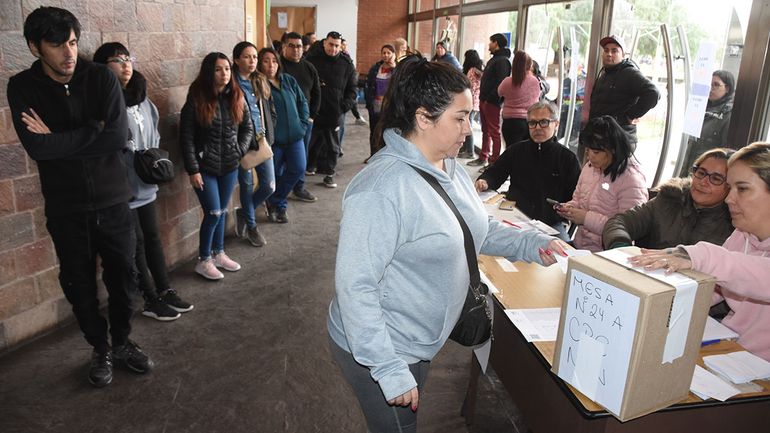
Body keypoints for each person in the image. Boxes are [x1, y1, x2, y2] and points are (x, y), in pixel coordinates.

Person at [327, 55, 566, 433]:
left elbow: (475, 227)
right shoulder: (381, 189)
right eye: (460, 118)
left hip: (417, 338)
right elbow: (356, 287)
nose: (469, 130)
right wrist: (388, 368)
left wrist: (530, 244)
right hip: (382, 346)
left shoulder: (446, 166)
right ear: (423, 118)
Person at [7, 6, 153, 387]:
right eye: (56, 45)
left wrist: (58, 139)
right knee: (78, 284)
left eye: (72, 42)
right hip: (67, 206)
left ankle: (121, 342)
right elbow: (38, 148)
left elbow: (117, 138)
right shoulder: (22, 86)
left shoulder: (100, 78)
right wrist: (91, 131)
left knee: (126, 279)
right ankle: (99, 346)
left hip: (113, 200)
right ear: (35, 47)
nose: (68, 53)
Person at [630, 142, 770, 361]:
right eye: (730, 188)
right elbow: (711, 287)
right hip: (728, 349)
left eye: (742, 189)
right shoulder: (741, 234)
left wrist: (700, 255)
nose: (729, 199)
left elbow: (758, 276)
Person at [93, 42, 194, 321]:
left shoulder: (143, 100)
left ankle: (165, 289)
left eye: (128, 58)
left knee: (152, 238)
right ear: (102, 67)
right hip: (120, 188)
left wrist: (148, 164)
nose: (126, 65)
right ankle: (149, 298)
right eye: (117, 60)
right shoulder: (101, 103)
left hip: (145, 182)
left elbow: (154, 138)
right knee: (135, 243)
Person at [180, 52, 253, 280]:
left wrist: (238, 150)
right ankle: (204, 260)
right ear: (209, 72)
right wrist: (193, 169)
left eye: (227, 69)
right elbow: (187, 136)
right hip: (205, 167)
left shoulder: (237, 96)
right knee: (213, 212)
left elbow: (247, 128)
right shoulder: (197, 98)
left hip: (229, 165)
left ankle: (219, 253)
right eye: (218, 69)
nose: (224, 74)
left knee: (222, 211)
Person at [476, 101, 581, 240]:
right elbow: (496, 172)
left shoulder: (568, 158)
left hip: (549, 223)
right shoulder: (516, 150)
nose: (537, 128)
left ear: (556, 124)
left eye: (543, 122)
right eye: (532, 123)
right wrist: (485, 181)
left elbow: (575, 197)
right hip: (513, 214)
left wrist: (566, 210)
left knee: (563, 254)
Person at [604, 148, 735, 250]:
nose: (703, 182)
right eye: (701, 173)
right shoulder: (671, 199)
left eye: (716, 178)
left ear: (731, 187)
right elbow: (618, 222)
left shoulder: (735, 224)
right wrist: (620, 248)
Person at [557, 115, 648, 252]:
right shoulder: (590, 167)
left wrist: (585, 218)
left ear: (613, 149)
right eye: (588, 150)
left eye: (596, 152)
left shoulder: (632, 180)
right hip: (581, 246)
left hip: (606, 254)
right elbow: (578, 199)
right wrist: (570, 208)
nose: (590, 156)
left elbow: (627, 228)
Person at [259, 47, 310, 224]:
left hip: (295, 137)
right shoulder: (259, 85)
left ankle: (274, 201)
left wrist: (302, 125)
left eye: (273, 60)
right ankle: (280, 208)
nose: (271, 65)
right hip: (275, 141)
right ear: (260, 63)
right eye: (266, 60)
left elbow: (302, 102)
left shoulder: (288, 80)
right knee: (276, 175)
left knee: (298, 168)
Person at [231, 41, 274, 248]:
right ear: (237, 60)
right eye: (247, 57)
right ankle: (252, 226)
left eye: (255, 57)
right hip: (242, 143)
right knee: (246, 187)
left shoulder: (260, 81)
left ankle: (244, 212)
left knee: (269, 185)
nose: (252, 61)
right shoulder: (231, 84)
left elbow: (267, 111)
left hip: (260, 140)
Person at [305, 31, 358, 188]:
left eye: (337, 46)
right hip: (314, 111)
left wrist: (344, 106)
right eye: (330, 45)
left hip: (335, 112)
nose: (333, 49)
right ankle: (310, 167)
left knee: (333, 146)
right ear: (324, 43)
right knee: (311, 142)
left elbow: (352, 88)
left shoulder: (346, 64)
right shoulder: (312, 60)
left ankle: (329, 174)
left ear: (340, 46)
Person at [588, 35, 659, 137]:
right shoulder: (605, 73)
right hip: (601, 136)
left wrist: (631, 116)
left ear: (623, 55)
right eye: (606, 50)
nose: (609, 54)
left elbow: (653, 93)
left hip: (618, 138)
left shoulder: (629, 73)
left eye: (614, 51)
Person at [281, 31, 321, 203]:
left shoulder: (309, 67)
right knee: (280, 159)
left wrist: (311, 116)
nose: (296, 50)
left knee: (301, 158)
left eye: (299, 46)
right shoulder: (279, 67)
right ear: (284, 47)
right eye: (292, 46)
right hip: (282, 123)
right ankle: (280, 191)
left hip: (304, 122)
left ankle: (299, 188)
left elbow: (317, 93)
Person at [679, 70, 736, 176]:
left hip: (708, 172)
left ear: (727, 88)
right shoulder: (701, 107)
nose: (711, 88)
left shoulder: (728, 114)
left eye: (716, 85)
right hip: (690, 165)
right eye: (709, 84)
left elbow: (726, 151)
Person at [468, 33, 511, 168]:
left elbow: (500, 82)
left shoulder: (503, 61)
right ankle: (483, 156)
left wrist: (490, 99)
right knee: (485, 130)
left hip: (492, 102)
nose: (489, 44)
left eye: (491, 42)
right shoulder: (495, 59)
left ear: (496, 43)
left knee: (494, 132)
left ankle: (494, 161)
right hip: (484, 100)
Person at [497, 50, 541, 148]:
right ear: (530, 66)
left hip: (510, 122)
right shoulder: (535, 81)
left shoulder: (507, 81)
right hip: (529, 121)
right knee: (526, 153)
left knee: (511, 152)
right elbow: (537, 98)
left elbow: (499, 92)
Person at [364, 44, 396, 157]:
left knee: (386, 132)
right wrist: (369, 102)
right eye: (384, 53)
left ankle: (385, 156)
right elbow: (368, 86)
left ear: (393, 54)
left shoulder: (396, 70)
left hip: (389, 108)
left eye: (389, 53)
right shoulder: (375, 68)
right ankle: (373, 155)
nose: (386, 55)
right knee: (374, 131)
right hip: (375, 105)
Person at [458, 49, 483, 159]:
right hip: (476, 101)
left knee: (468, 125)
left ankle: (470, 151)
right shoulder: (479, 70)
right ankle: (466, 149)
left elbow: (469, 86)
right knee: (469, 123)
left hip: (470, 101)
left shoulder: (472, 71)